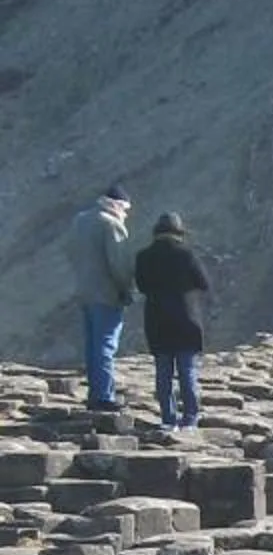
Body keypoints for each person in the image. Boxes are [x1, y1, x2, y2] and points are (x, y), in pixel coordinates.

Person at [132, 212, 211, 431]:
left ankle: (168, 418)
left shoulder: (143, 256)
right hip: (186, 318)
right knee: (186, 370)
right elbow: (203, 283)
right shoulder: (186, 255)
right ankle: (190, 418)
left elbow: (141, 286)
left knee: (163, 371)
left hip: (157, 318)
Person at [67, 182, 134, 414]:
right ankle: (104, 396)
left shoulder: (80, 221)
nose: (125, 214)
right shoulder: (111, 225)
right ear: (117, 206)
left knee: (92, 346)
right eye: (125, 209)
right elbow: (119, 265)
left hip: (84, 292)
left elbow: (71, 253)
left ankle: (94, 392)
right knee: (106, 345)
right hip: (107, 295)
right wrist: (127, 290)